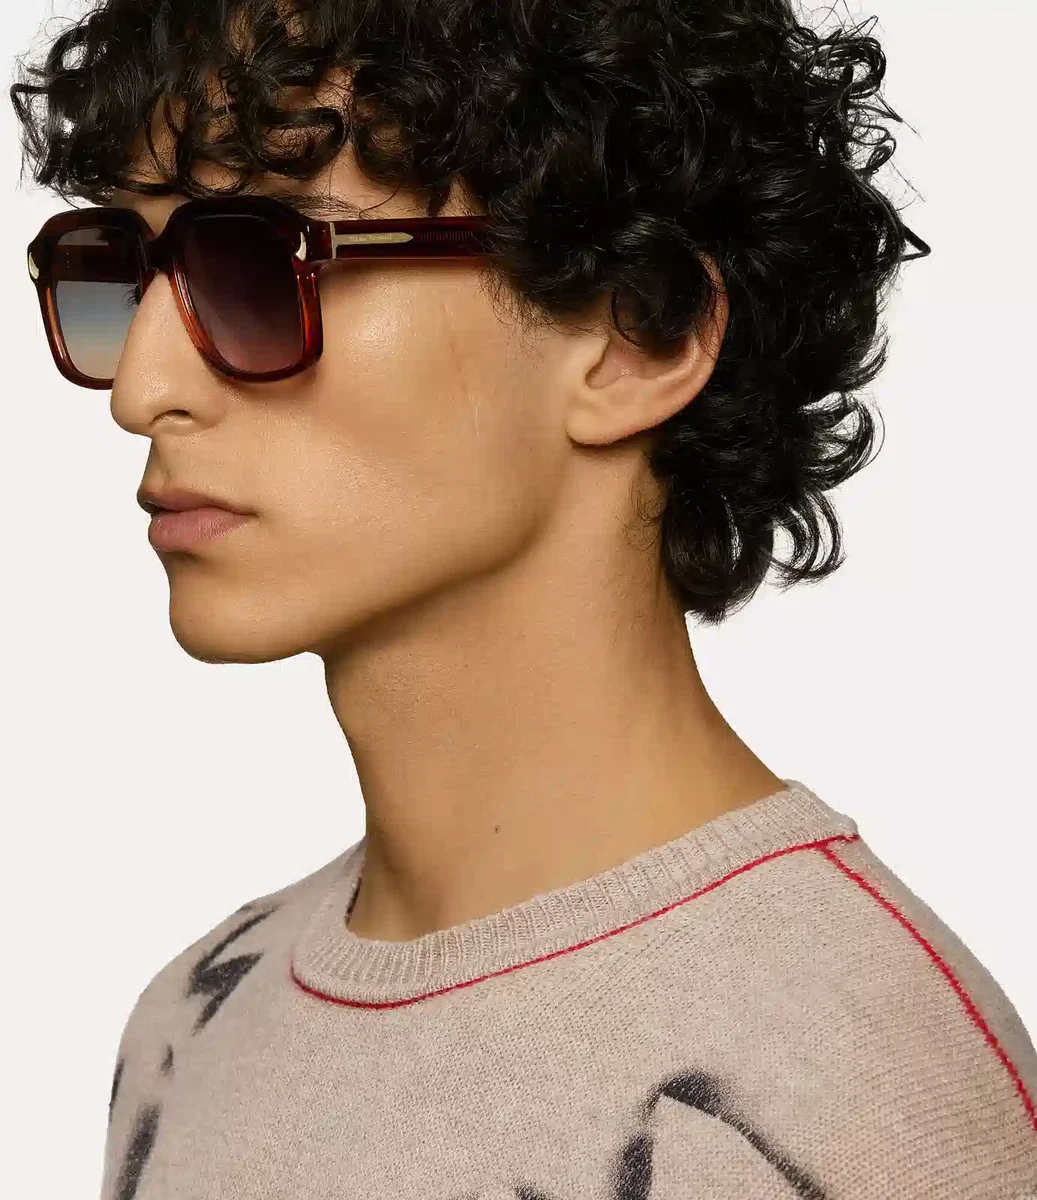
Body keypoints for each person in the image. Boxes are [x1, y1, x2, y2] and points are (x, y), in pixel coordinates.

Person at [11, 0, 1036, 1196]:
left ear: (635, 336)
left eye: (254, 263)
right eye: (121, 273)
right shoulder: (190, 1025)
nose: (140, 389)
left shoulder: (846, 1099)